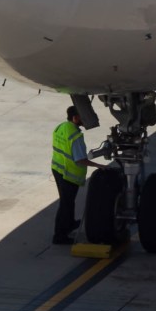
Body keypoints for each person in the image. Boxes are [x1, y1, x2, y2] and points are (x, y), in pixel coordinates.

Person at [51, 104, 98, 245]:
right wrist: (99, 166)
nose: (85, 120)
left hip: (57, 169)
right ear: (76, 118)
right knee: (66, 204)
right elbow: (81, 159)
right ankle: (59, 236)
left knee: (68, 202)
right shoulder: (75, 136)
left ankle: (70, 224)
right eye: (82, 117)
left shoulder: (61, 127)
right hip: (68, 174)